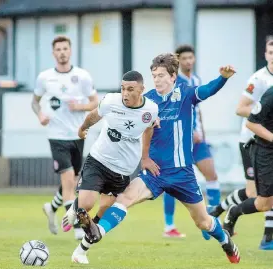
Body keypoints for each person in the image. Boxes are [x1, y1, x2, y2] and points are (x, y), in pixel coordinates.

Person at [67, 53, 240, 265]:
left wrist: (223, 78)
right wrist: (144, 158)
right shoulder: (148, 102)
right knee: (124, 200)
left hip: (183, 173)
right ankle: (93, 236)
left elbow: (207, 90)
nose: (156, 80)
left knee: (203, 222)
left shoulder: (186, 94)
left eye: (160, 75)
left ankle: (225, 241)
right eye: (153, 75)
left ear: (173, 76)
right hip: (155, 172)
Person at [61, 70, 159, 250]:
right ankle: (76, 209)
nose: (125, 94)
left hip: (122, 171)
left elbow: (149, 129)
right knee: (86, 205)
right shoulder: (111, 101)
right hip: (99, 161)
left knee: (105, 209)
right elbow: (93, 115)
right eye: (123, 88)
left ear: (142, 90)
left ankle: (90, 229)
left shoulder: (151, 109)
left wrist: (145, 158)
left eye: (130, 89)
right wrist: (83, 128)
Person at [31, 36, 98, 239]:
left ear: (70, 51)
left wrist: (80, 106)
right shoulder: (44, 78)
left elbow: (95, 103)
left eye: (65, 49)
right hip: (56, 135)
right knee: (69, 180)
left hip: (78, 134)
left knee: (72, 181)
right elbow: (35, 102)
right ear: (53, 53)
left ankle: (52, 208)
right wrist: (40, 114)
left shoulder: (82, 76)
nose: (62, 52)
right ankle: (77, 227)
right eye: (58, 49)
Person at [210, 40, 273, 249]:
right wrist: (263, 113)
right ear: (265, 54)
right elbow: (241, 109)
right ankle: (226, 211)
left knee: (261, 194)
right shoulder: (259, 80)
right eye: (271, 52)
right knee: (257, 195)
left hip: (264, 139)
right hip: (252, 140)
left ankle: (267, 237)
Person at [162, 45, 220, 238]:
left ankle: (214, 218)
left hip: (197, 141)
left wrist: (200, 131)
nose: (188, 61)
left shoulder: (196, 80)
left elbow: (197, 110)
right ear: (179, 61)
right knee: (170, 182)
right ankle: (169, 226)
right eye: (184, 58)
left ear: (194, 59)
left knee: (211, 175)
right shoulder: (174, 82)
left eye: (190, 58)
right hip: (179, 141)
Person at [223, 86, 273, 250]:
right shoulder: (271, 94)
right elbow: (251, 123)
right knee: (264, 204)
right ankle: (234, 211)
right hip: (266, 152)